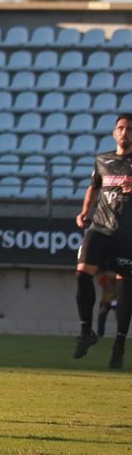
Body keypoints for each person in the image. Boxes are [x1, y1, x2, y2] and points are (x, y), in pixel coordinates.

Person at [71, 112, 132, 368]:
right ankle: (87, 332)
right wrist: (85, 211)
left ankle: (119, 342)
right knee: (82, 273)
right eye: (120, 127)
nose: (125, 132)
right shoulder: (102, 160)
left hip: (127, 234)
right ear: (113, 132)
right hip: (100, 228)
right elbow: (94, 186)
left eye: (129, 128)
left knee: (126, 286)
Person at [96, 273, 122, 339]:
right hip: (106, 300)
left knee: (119, 316)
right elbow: (103, 291)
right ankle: (100, 334)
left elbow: (119, 292)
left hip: (115, 300)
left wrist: (116, 303)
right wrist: (104, 305)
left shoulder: (119, 278)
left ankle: (120, 334)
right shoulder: (103, 278)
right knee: (101, 315)